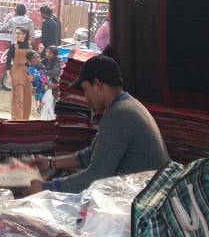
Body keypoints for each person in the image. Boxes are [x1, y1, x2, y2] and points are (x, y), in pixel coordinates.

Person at [30, 54, 168, 194]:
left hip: (146, 199)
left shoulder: (119, 115)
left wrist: (46, 188)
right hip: (152, 192)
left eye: (86, 89)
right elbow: (92, 154)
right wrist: (51, 162)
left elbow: (97, 176)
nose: (86, 97)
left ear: (97, 84)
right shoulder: (124, 105)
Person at [6, 26, 33, 120]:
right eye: (16, 33)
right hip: (17, 72)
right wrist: (9, 76)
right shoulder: (14, 46)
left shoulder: (30, 46)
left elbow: (33, 61)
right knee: (18, 98)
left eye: (19, 33)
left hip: (27, 73)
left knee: (27, 98)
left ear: (24, 35)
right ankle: (17, 119)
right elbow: (8, 61)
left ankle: (25, 120)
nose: (16, 35)